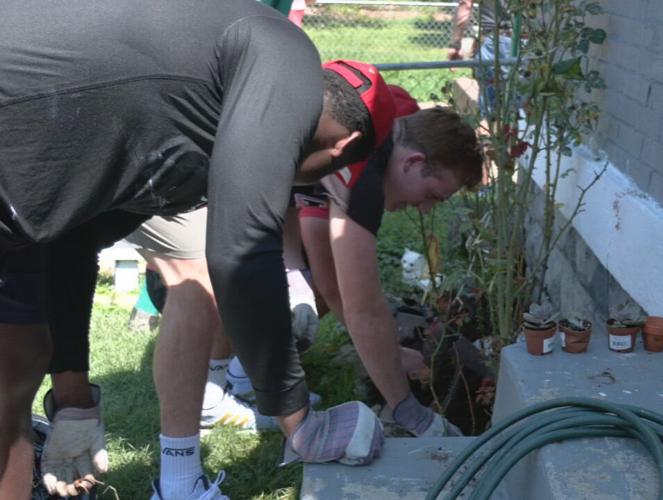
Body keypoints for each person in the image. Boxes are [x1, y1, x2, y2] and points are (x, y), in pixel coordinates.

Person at [0, 0, 398, 497]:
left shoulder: (188, 128)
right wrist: (300, 421)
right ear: (343, 148)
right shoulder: (284, 52)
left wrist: (75, 400)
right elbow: (241, 251)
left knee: (19, 353)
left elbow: (71, 241)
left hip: (22, 178)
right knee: (11, 369)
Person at [446, 0, 513, 117]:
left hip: (495, 41)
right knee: (525, 100)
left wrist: (456, 45)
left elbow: (465, 6)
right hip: (534, 41)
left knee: (490, 107)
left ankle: (491, 128)